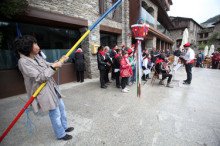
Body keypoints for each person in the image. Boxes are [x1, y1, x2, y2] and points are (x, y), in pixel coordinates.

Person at [14, 35, 73, 141]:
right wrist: (54, 66)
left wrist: (60, 61)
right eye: (35, 44)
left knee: (62, 109)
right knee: (55, 113)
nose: (37, 46)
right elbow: (39, 77)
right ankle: (60, 134)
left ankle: (65, 127)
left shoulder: (37, 57)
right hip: (43, 91)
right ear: (28, 46)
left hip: (52, 87)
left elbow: (49, 65)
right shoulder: (23, 62)